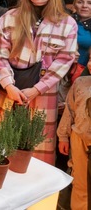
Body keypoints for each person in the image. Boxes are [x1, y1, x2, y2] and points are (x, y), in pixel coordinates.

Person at [0, 0, 78, 164]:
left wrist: (37, 89)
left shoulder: (67, 23)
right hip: (10, 90)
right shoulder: (10, 18)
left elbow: (64, 61)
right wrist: (9, 85)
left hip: (44, 93)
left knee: (38, 148)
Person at [57, 75, 91, 210]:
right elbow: (69, 110)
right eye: (89, 58)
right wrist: (63, 136)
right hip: (79, 140)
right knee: (80, 184)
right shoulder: (81, 82)